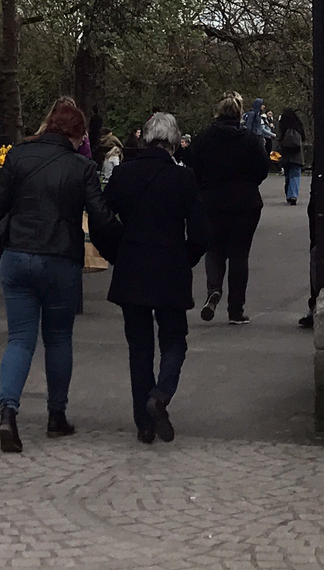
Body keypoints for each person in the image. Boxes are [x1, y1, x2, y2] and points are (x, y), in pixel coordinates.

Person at [0, 96, 117, 454]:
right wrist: (119, 252)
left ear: (48, 124)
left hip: (16, 256)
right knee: (59, 338)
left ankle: (7, 413)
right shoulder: (81, 169)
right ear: (78, 133)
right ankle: (56, 416)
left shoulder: (18, 156)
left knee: (20, 339)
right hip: (59, 260)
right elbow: (99, 217)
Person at [102, 111, 208, 443]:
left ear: (145, 139)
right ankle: (161, 394)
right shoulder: (185, 179)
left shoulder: (124, 175)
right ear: (175, 143)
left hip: (132, 265)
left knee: (139, 347)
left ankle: (143, 423)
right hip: (170, 266)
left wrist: (116, 252)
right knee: (174, 339)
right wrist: (186, 258)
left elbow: (104, 218)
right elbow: (201, 233)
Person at [184, 94, 271, 324]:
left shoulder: (204, 138)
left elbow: (193, 166)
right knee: (239, 255)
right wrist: (250, 184)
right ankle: (236, 309)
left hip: (212, 201)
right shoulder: (250, 139)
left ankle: (214, 289)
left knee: (214, 250)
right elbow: (263, 167)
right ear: (240, 113)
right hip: (245, 202)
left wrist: (205, 187)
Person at [277, 109, 306, 205]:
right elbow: (303, 137)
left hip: (285, 153)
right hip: (297, 154)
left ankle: (288, 194)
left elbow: (278, 138)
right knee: (295, 175)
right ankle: (293, 194)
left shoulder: (282, 125)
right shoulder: (298, 124)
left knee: (288, 175)